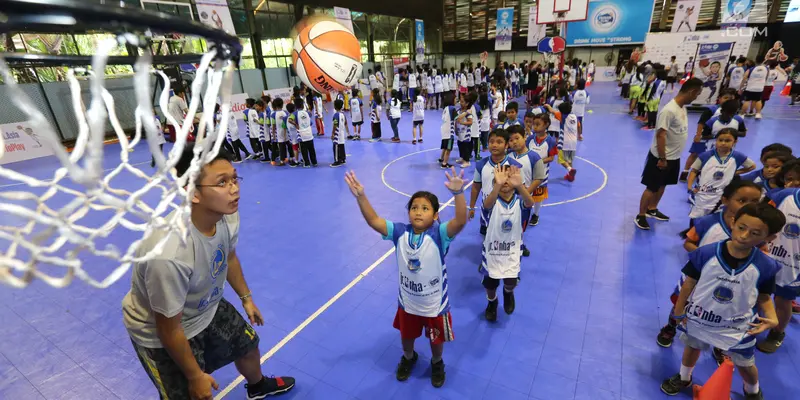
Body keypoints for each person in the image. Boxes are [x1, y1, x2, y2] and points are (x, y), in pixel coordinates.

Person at [122, 147, 296, 400]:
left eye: (235, 178)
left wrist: (246, 298)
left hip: (206, 306)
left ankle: (258, 386)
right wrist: (195, 376)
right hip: (161, 331)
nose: (234, 188)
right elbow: (168, 328)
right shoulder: (170, 253)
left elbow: (229, 255)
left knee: (248, 346)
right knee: (193, 395)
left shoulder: (227, 215)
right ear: (192, 192)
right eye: (222, 182)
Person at [343, 167, 468, 388]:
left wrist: (458, 195)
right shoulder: (400, 232)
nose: (418, 212)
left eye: (425, 208)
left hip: (434, 305)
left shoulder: (440, 235)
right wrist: (361, 197)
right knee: (406, 337)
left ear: (436, 215)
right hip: (408, 302)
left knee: (436, 339)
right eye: (414, 208)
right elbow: (374, 221)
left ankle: (437, 362)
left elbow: (460, 221)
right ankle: (409, 357)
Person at [660, 203, 785, 399]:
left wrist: (772, 317)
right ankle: (684, 377)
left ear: (769, 238)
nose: (744, 236)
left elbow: (763, 297)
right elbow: (688, 284)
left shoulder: (767, 266)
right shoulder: (706, 253)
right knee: (692, 347)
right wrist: (678, 310)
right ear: (733, 222)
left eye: (755, 233)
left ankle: (752, 391)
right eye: (742, 227)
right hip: (701, 316)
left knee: (746, 364)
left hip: (739, 326)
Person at [656, 180, 764, 349]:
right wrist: (708, 257)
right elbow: (688, 243)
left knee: (722, 311)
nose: (748, 206)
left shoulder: (758, 232)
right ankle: (671, 326)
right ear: (725, 200)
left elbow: (760, 255)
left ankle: (718, 345)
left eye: (754, 202)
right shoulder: (707, 222)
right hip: (698, 277)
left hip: (732, 282)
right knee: (682, 302)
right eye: (742, 200)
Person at [635, 78, 703, 231]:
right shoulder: (669, 110)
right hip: (662, 157)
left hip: (674, 156)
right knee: (652, 186)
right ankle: (641, 215)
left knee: (662, 184)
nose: (696, 98)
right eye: (697, 94)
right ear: (691, 92)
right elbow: (661, 135)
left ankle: (652, 208)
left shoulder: (682, 107)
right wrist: (662, 158)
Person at [480, 165, 536, 322]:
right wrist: (497, 185)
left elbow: (530, 202)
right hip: (492, 252)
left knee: (511, 282)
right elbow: (487, 205)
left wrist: (520, 185)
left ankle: (507, 293)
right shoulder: (491, 202)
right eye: (501, 178)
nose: (505, 181)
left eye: (508, 178)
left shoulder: (519, 202)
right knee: (490, 285)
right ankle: (492, 302)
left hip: (512, 251)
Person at [757, 160, 800, 354]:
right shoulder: (783, 196)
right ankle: (748, 322)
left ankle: (777, 333)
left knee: (782, 300)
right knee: (756, 293)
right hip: (768, 255)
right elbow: (762, 216)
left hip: (794, 266)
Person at [686, 128, 756, 219]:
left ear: (735, 141)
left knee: (716, 218)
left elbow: (752, 166)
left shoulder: (737, 156)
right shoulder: (705, 156)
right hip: (703, 194)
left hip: (721, 196)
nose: (723, 143)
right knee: (696, 217)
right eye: (720, 140)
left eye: (727, 140)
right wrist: (689, 186)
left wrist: (735, 172)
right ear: (716, 141)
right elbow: (694, 171)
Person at [680, 89, 740, 182]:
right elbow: (701, 123)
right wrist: (698, 135)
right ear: (719, 98)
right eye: (725, 98)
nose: (728, 100)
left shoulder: (733, 113)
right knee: (695, 154)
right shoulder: (711, 110)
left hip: (716, 140)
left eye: (730, 98)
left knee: (711, 156)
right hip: (704, 137)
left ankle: (703, 173)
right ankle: (685, 172)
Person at [469, 129, 519, 235]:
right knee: (487, 236)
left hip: (507, 211)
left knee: (506, 234)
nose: (494, 145)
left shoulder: (514, 165)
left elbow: (520, 189)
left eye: (499, 142)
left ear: (506, 145)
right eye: (491, 142)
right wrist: (472, 207)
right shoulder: (481, 165)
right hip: (487, 208)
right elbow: (476, 187)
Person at [507, 125, 545, 257]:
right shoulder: (507, 155)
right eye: (511, 140)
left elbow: (538, 178)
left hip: (523, 200)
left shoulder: (534, 157)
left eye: (517, 138)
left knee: (520, 226)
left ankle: (519, 244)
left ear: (525, 137)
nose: (514, 142)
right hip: (506, 199)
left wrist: (526, 193)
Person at [526, 114, 558, 226]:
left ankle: (536, 214)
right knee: (526, 192)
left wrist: (538, 162)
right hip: (528, 172)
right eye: (533, 124)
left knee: (538, 196)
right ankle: (525, 212)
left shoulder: (551, 141)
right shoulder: (529, 139)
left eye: (538, 124)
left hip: (541, 174)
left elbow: (551, 157)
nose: (535, 127)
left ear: (546, 125)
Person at [556, 101, 579, 181]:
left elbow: (552, 111)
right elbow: (578, 126)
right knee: (570, 160)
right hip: (574, 142)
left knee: (561, 159)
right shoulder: (574, 117)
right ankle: (571, 176)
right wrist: (579, 135)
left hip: (565, 142)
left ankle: (570, 169)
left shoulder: (562, 116)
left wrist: (548, 106)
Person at [292, 98, 317, 167]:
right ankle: (314, 162)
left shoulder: (295, 113)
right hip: (309, 134)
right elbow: (311, 122)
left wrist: (296, 124)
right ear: (303, 105)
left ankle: (307, 163)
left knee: (304, 151)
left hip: (302, 135)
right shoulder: (307, 113)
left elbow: (290, 119)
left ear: (295, 106)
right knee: (311, 149)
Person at [439, 92, 457, 169]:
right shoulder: (452, 108)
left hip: (444, 130)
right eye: (455, 99)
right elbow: (458, 118)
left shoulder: (445, 109)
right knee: (448, 149)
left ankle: (441, 158)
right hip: (449, 131)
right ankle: (444, 163)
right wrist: (466, 113)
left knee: (445, 147)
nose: (456, 101)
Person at [330, 99, 348, 167]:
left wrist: (333, 133)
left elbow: (335, 124)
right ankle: (343, 159)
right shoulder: (343, 114)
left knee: (336, 146)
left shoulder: (335, 115)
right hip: (342, 133)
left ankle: (337, 161)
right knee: (341, 146)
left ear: (335, 107)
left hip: (337, 134)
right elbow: (345, 123)